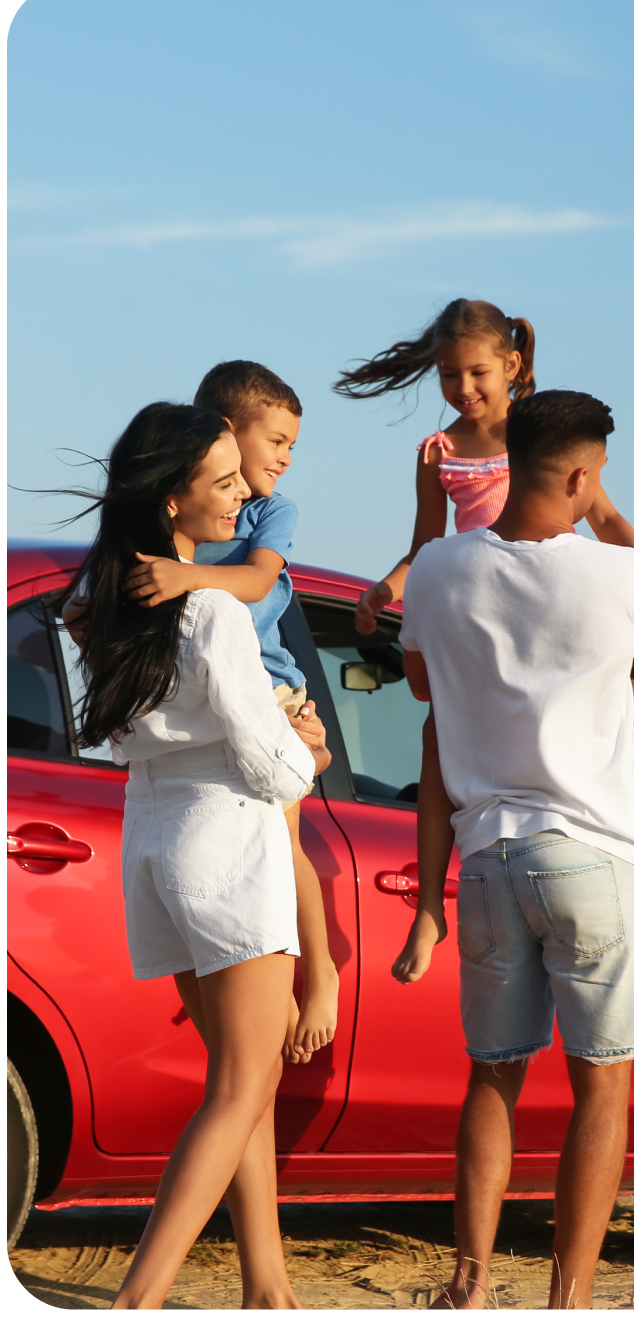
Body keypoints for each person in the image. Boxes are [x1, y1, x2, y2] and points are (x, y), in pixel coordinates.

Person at [389, 390, 634, 1309]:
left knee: (494, 1078)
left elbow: (423, 684)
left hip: (490, 860)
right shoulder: (623, 573)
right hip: (593, 855)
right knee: (602, 1092)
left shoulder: (434, 570)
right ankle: (570, 1295)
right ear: (584, 475)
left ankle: (469, 1283)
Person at [61, 402, 331, 1308]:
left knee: (234, 1080)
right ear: (171, 501)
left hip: (158, 848)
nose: (240, 498)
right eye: (220, 483)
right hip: (229, 846)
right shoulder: (212, 610)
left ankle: (267, 1287)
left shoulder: (110, 603)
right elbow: (268, 764)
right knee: (243, 1084)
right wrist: (314, 753)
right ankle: (140, 1299)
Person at [333, 298, 634, 913]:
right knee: (438, 731)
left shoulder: (537, 435)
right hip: (489, 593)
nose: (463, 387)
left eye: (477, 373)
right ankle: (428, 906)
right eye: (449, 375)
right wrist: (386, 589)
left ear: (510, 365)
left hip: (559, 588)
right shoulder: (437, 451)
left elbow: (603, 515)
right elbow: (426, 546)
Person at [121, 361, 338, 1066]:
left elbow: (257, 579)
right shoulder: (183, 518)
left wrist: (187, 577)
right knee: (241, 1083)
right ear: (222, 434)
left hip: (273, 691)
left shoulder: (269, 513)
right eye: (275, 439)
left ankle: (321, 977)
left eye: (291, 445)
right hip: (220, 734)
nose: (283, 457)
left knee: (287, 841)